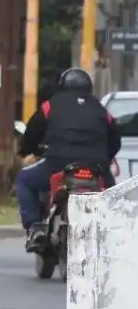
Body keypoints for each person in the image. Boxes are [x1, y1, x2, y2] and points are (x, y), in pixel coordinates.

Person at [16, 67, 121, 250]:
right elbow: (115, 140)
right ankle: (113, 235)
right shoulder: (100, 109)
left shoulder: (51, 105)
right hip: (96, 167)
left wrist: (26, 150)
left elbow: (33, 131)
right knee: (112, 196)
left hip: (58, 164)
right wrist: (106, 157)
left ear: (62, 86)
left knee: (25, 180)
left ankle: (34, 228)